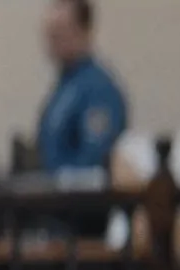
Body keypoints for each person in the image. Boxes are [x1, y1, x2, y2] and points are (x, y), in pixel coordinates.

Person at [37, 0, 128, 176]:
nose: (52, 42)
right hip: (51, 188)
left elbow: (95, 162)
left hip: (79, 192)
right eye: (50, 34)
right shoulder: (63, 87)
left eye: (60, 32)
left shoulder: (98, 90)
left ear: (84, 31)